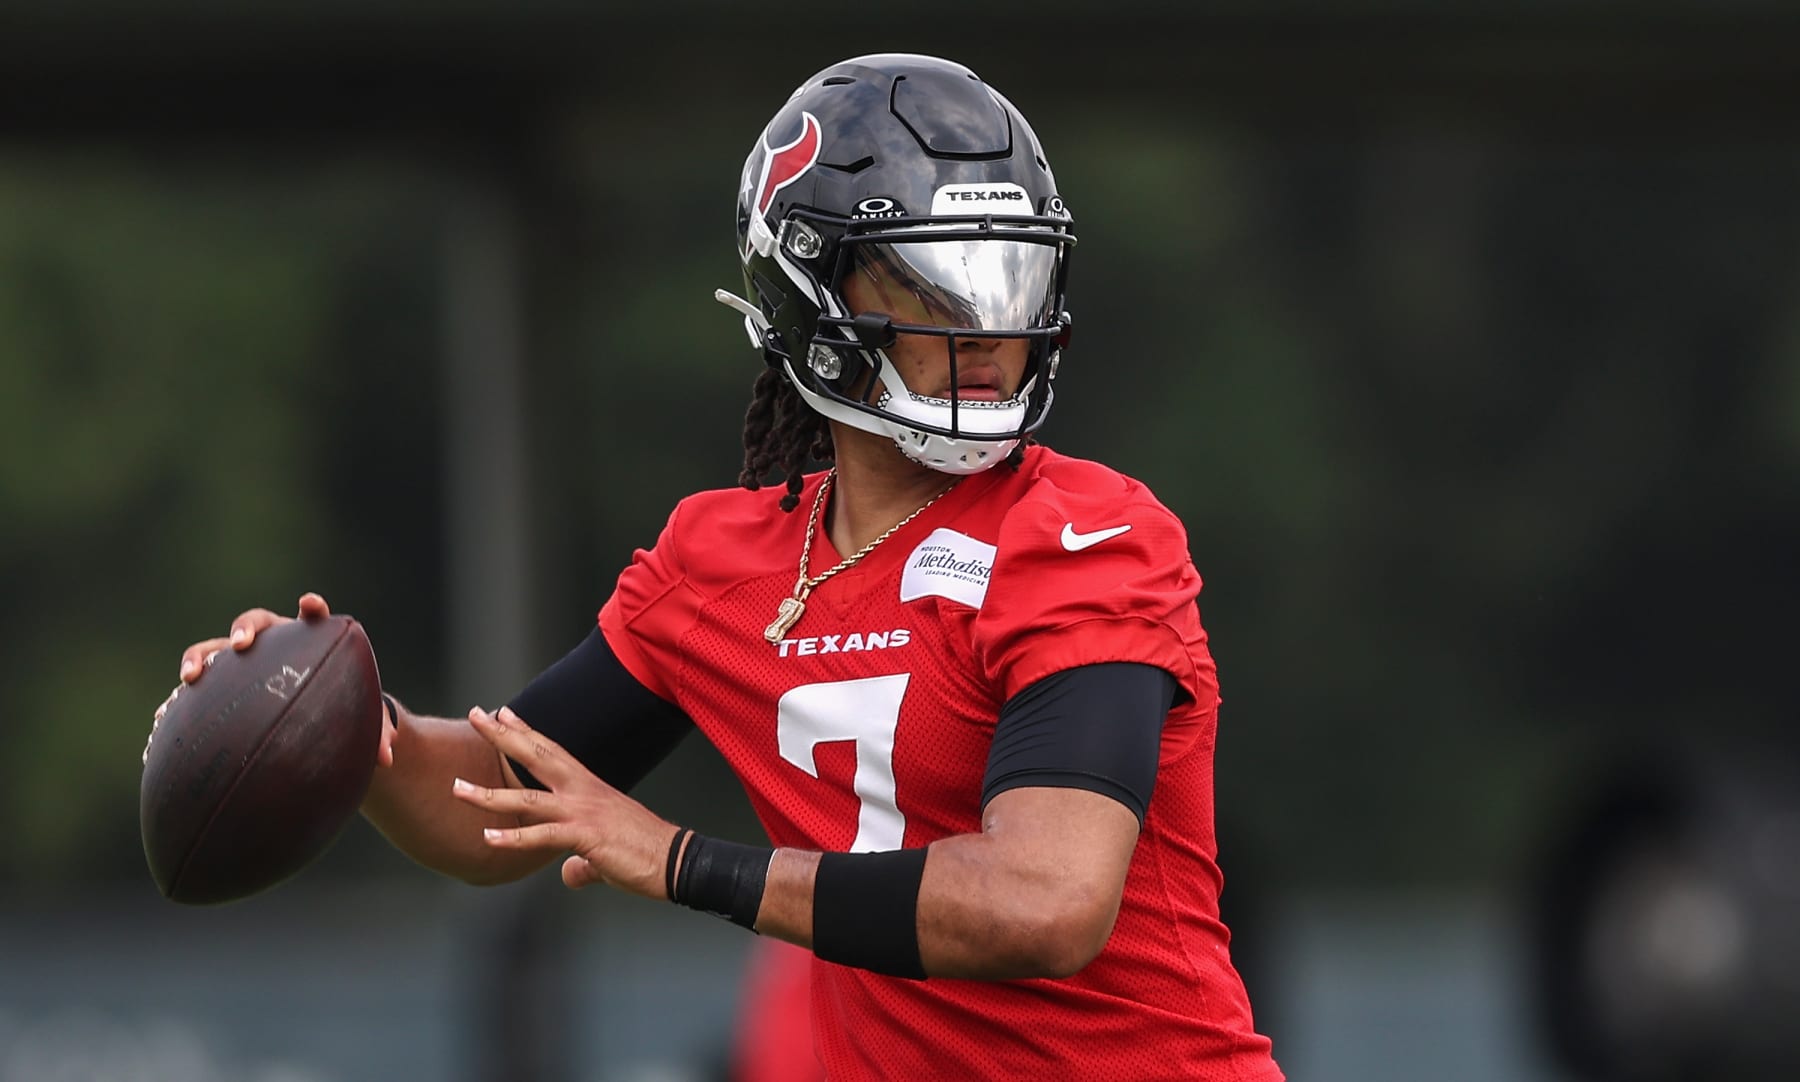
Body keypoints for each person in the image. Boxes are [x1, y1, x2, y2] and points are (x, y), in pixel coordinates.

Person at [174, 53, 1283, 1080]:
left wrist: (682, 859)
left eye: (1010, 278)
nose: (989, 331)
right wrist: (358, 731)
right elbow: (502, 805)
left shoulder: (1089, 534)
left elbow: (1047, 901)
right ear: (812, 300)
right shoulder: (721, 561)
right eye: (935, 287)